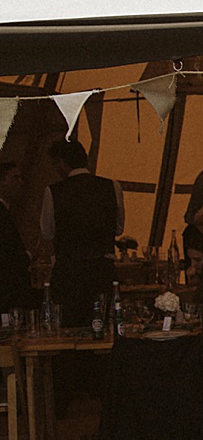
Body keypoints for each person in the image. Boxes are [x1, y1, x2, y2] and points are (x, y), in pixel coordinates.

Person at [40, 139, 123, 327]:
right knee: (104, 325)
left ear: (61, 162)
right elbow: (118, 228)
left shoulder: (53, 191)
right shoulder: (112, 186)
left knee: (69, 328)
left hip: (69, 272)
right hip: (102, 269)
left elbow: (47, 232)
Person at [0, 163, 33, 315]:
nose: (21, 182)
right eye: (15, 178)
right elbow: (8, 254)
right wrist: (29, 255)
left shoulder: (6, 211)